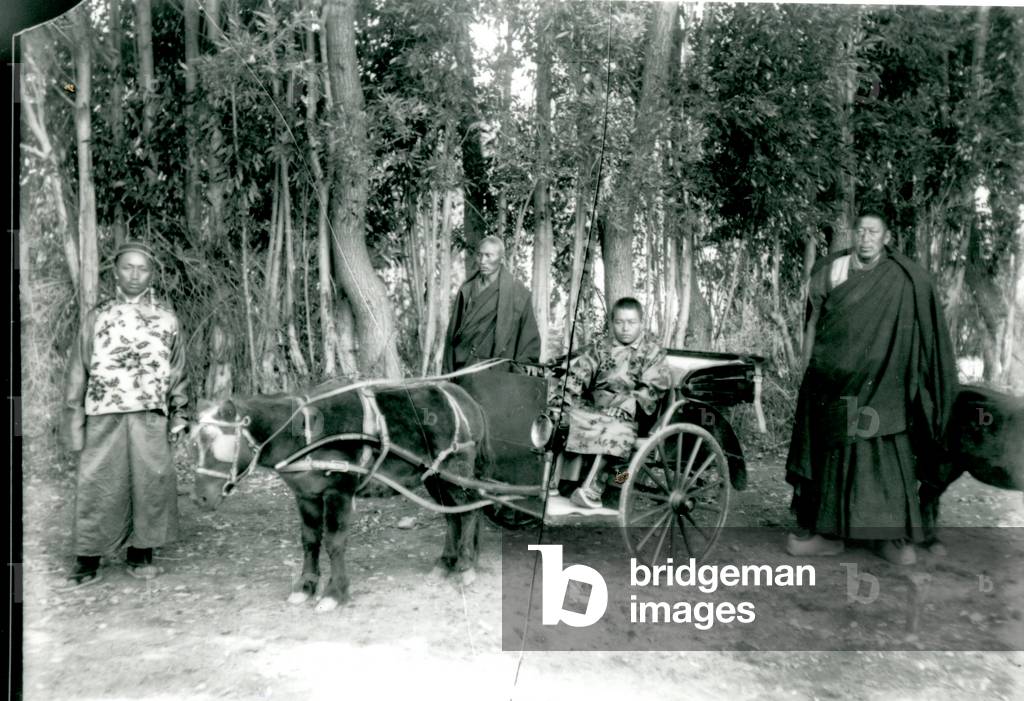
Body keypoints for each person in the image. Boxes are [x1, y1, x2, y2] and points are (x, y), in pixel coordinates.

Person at [785, 212, 957, 565]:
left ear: (886, 236)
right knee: (835, 452)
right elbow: (814, 322)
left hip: (883, 386)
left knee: (884, 453)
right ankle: (828, 536)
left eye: (873, 232)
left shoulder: (903, 278)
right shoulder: (832, 270)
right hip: (834, 385)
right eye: (860, 231)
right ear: (853, 234)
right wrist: (808, 370)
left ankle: (888, 539)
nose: (865, 237)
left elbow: (920, 333)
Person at [61, 241, 189, 587]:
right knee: (97, 481)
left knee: (150, 483)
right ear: (115, 272)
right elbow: (78, 369)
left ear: (151, 274)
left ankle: (140, 553)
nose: (135, 274)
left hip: (149, 414)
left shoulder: (166, 318)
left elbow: (177, 371)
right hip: (104, 414)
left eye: (142, 268)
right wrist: (74, 424)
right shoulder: (98, 317)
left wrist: (179, 412)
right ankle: (88, 557)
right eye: (127, 267)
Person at [547, 297, 672, 509]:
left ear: (641, 324)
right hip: (596, 408)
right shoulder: (601, 348)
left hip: (631, 415)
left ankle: (595, 488)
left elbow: (652, 387)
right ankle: (555, 480)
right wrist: (562, 399)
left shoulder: (652, 353)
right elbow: (579, 374)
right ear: (612, 323)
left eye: (631, 322)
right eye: (619, 322)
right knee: (561, 418)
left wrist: (626, 406)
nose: (625, 328)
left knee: (613, 428)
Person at [442, 236, 541, 373]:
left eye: (489, 256)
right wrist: (448, 370)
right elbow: (453, 334)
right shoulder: (467, 290)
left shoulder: (517, 292)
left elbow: (528, 330)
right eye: (479, 255)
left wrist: (529, 361)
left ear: (501, 258)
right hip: (465, 367)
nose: (482, 261)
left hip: (499, 371)